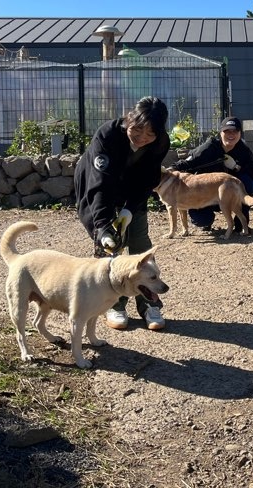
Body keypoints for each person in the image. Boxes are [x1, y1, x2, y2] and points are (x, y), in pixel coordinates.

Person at [74, 96, 171, 331]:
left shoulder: (160, 143)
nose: (142, 139)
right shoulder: (107, 135)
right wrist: (103, 226)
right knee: (109, 247)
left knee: (140, 240)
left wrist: (130, 209)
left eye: (150, 134)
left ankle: (149, 303)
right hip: (99, 185)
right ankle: (113, 304)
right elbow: (100, 185)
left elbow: (148, 179)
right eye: (137, 130)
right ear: (129, 120)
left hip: (132, 191)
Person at [171, 116, 253, 231]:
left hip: (228, 193)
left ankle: (240, 224)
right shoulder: (209, 148)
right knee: (201, 220)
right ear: (220, 133)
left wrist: (236, 167)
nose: (231, 135)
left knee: (246, 181)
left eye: (235, 131)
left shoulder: (243, 150)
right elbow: (188, 162)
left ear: (240, 133)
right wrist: (171, 170)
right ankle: (206, 222)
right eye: (227, 131)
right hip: (204, 194)